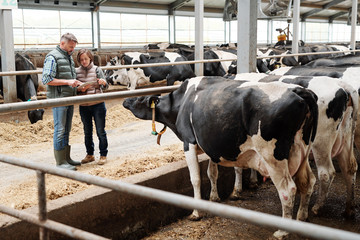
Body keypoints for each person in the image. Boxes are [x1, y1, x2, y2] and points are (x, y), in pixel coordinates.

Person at [42, 33, 82, 171]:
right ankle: (60, 163)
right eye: (71, 47)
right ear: (62, 43)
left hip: (68, 97)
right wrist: (68, 82)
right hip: (58, 98)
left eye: (74, 47)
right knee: (60, 129)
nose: (73, 50)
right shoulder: (52, 57)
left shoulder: (68, 57)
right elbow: (47, 79)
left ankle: (66, 158)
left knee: (66, 129)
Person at [76, 48, 109, 165]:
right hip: (84, 105)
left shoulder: (97, 70)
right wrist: (79, 89)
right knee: (87, 131)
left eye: (85, 59)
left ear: (90, 58)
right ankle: (90, 154)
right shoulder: (76, 72)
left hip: (98, 104)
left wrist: (103, 83)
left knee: (100, 131)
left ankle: (103, 155)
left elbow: (106, 86)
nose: (84, 61)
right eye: (81, 59)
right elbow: (74, 90)